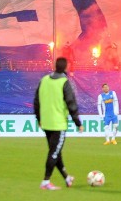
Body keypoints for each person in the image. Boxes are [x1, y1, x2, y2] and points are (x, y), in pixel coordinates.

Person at [33, 57, 83, 190]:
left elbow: (36, 101)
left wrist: (39, 119)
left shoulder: (44, 80)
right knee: (54, 153)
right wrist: (78, 122)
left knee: (55, 151)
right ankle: (45, 182)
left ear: (55, 66)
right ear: (66, 67)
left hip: (46, 122)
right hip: (58, 123)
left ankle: (67, 177)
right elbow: (71, 103)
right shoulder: (64, 82)